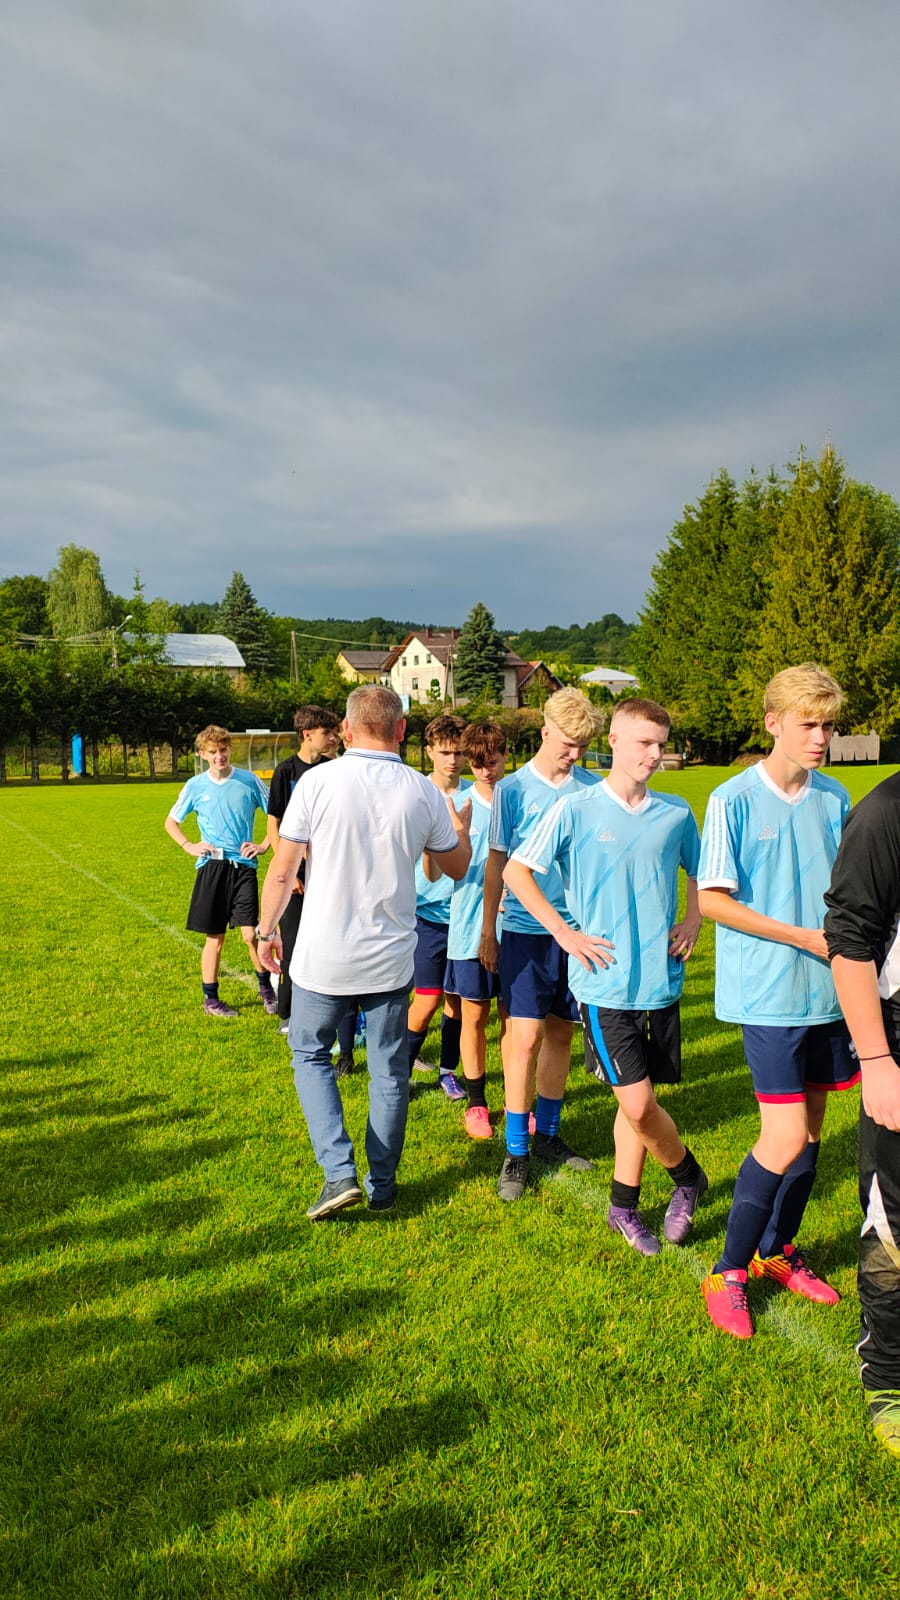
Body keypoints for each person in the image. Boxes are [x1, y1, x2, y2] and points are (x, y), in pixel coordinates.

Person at [257, 686, 472, 1219]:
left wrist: (265, 930)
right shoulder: (422, 790)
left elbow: (282, 871)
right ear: (402, 731)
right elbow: (456, 867)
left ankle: (339, 1173)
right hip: (390, 960)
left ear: (347, 731)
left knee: (310, 1054)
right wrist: (460, 831)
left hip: (322, 957)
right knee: (389, 1071)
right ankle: (382, 1185)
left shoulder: (316, 781)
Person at [504, 698, 706, 1254]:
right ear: (613, 741)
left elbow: (701, 871)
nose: (654, 754)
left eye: (661, 744)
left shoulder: (675, 814)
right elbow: (518, 872)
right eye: (644, 743)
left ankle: (623, 1208)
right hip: (603, 982)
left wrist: (693, 917)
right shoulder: (576, 809)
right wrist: (565, 934)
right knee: (638, 1104)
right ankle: (689, 1177)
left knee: (633, 1105)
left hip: (660, 982)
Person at [697, 665, 857, 1338]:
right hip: (766, 994)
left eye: (828, 725)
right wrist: (799, 935)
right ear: (772, 723)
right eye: (807, 724)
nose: (820, 738)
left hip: (827, 992)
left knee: (811, 1133)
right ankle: (726, 1272)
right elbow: (710, 900)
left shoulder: (835, 797)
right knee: (784, 1134)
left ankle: (777, 1252)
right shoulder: (732, 799)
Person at [481, 687, 604, 1201]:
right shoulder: (511, 790)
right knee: (524, 1038)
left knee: (560, 1035)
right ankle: (516, 1150)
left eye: (583, 746)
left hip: (579, 935)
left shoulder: (594, 789)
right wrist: (487, 930)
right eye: (568, 743)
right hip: (526, 933)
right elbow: (497, 862)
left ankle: (549, 1136)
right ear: (545, 730)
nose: (574, 754)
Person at [825, 774, 900, 1460]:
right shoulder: (885, 812)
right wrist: (876, 1060)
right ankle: (888, 1378)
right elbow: (849, 941)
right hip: (896, 1043)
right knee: (892, 1220)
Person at [266, 706, 357, 1075]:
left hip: (330, 872)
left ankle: (342, 1019)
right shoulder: (286, 772)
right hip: (296, 873)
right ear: (307, 734)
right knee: (292, 942)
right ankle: (289, 1013)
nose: (334, 738)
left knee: (332, 942)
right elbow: (274, 823)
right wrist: (288, 870)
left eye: (335, 732)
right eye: (327, 732)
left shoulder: (335, 769)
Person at [164, 724, 274, 1018]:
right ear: (203, 754)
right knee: (215, 938)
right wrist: (189, 845)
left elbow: (277, 816)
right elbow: (171, 822)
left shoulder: (249, 781)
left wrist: (264, 845)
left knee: (251, 934)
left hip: (243, 867)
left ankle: (267, 990)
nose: (219, 756)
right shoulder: (195, 786)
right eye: (212, 752)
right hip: (212, 867)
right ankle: (211, 1000)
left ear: (230, 749)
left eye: (223, 750)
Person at [439, 720, 508, 1140]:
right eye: (478, 763)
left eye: (493, 761)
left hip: (516, 929)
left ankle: (519, 1102)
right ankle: (477, 1102)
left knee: (516, 1020)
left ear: (505, 756)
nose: (486, 771)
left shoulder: (519, 801)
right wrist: (458, 838)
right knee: (474, 1015)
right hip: (469, 929)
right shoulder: (457, 806)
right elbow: (443, 870)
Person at [405, 713, 469, 1097]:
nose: (453, 760)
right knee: (427, 1000)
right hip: (425, 915)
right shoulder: (414, 793)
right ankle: (400, 1072)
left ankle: (448, 1071)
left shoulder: (477, 796)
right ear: (429, 751)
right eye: (445, 752)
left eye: (459, 752)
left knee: (457, 1002)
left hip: (465, 916)